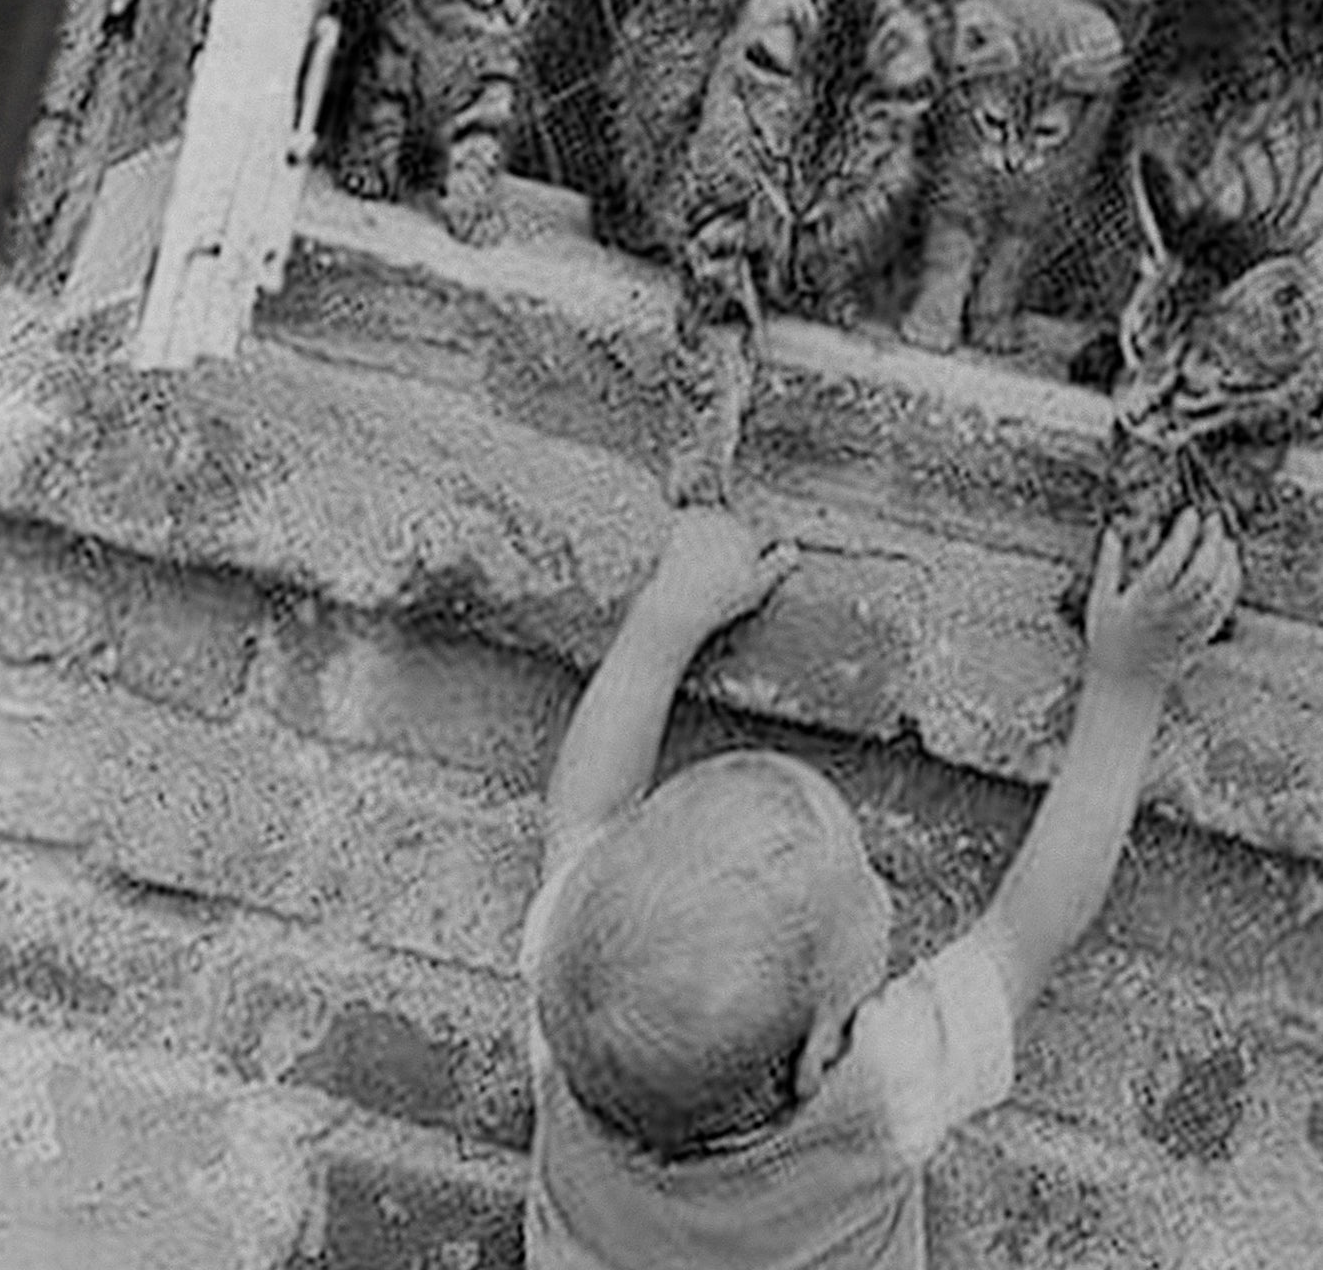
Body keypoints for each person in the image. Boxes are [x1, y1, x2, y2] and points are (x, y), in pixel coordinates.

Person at [521, 499, 1239, 1266]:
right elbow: (1027, 933)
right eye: (863, 880)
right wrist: (1128, 683)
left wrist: (668, 613)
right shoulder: (875, 1099)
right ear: (821, 1057)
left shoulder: (573, 1023)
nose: (879, 882)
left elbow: (588, 811)